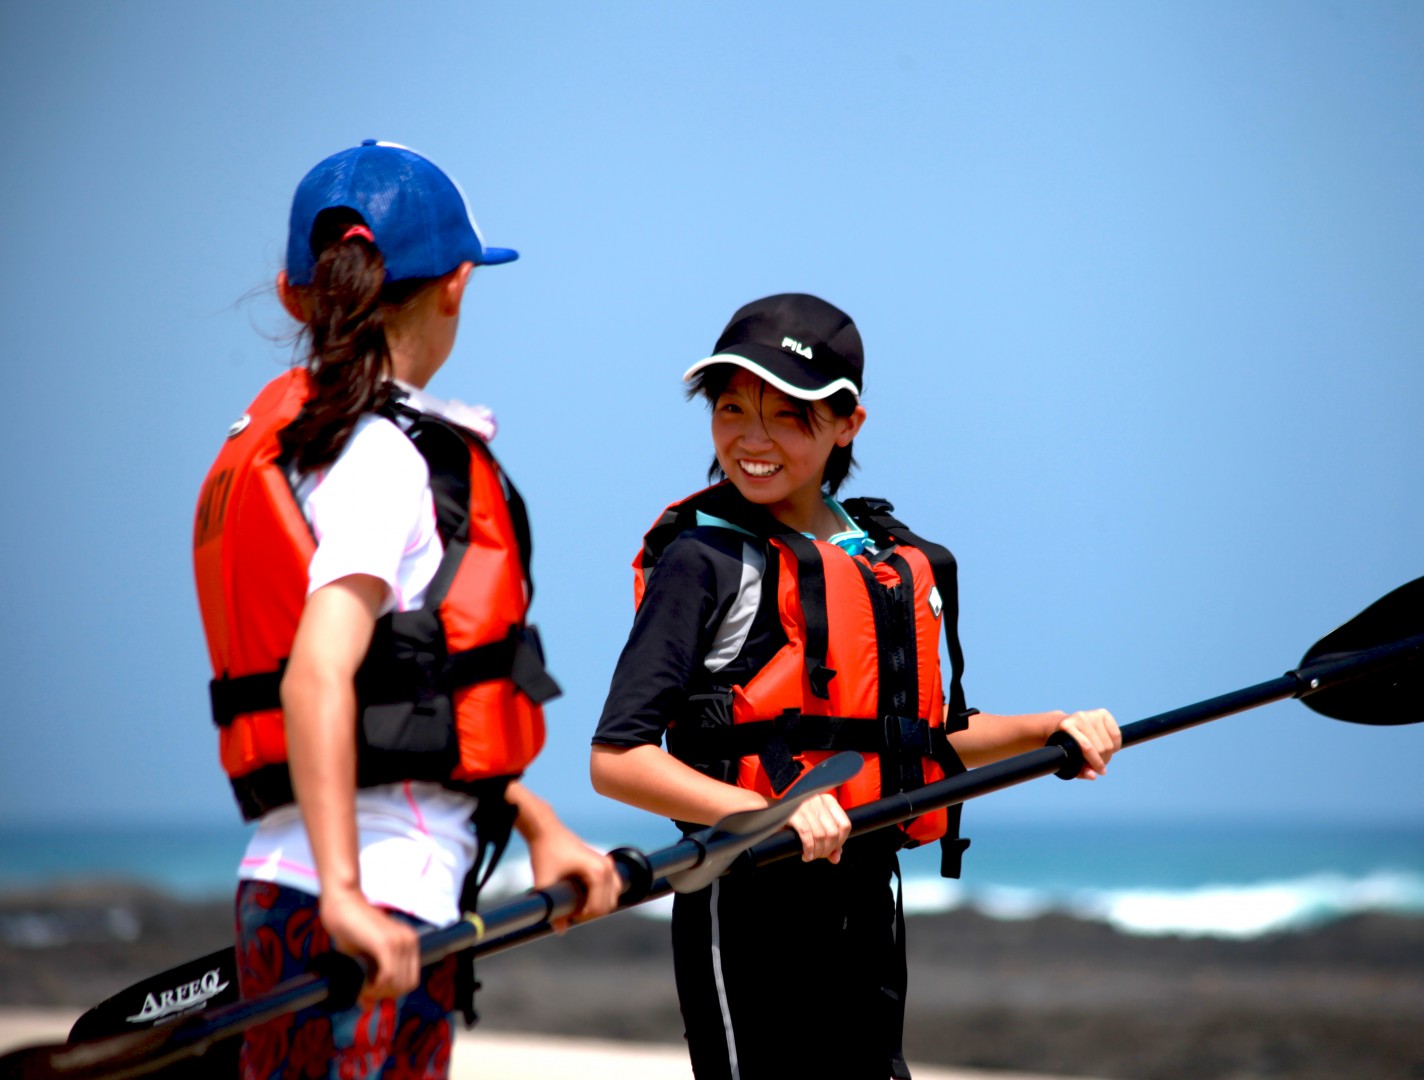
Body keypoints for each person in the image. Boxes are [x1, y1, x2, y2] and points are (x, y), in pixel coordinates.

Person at [590, 293, 1123, 1080]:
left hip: (868, 890)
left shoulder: (885, 559)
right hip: (745, 894)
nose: (752, 439)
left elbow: (916, 740)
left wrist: (1050, 729)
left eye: (787, 415)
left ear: (848, 425)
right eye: (732, 409)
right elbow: (618, 758)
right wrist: (766, 812)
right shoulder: (702, 564)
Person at [193, 140, 619, 1080]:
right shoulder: (386, 456)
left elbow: (406, 696)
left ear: (292, 293)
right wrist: (347, 896)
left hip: (277, 887)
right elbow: (318, 677)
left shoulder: (296, 447)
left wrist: (536, 822)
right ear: (458, 282)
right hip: (371, 903)